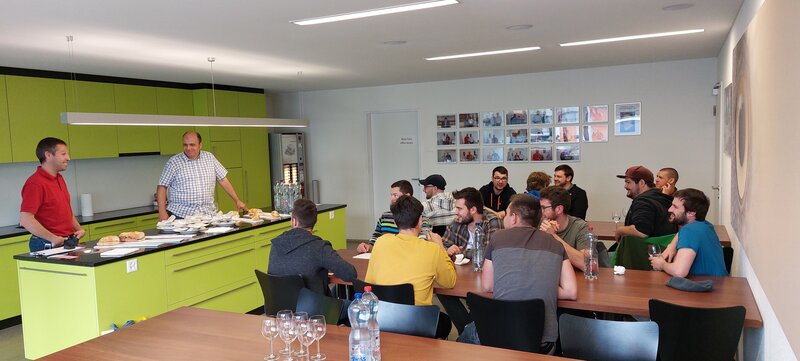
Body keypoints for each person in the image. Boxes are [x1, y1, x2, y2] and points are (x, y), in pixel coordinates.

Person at [460, 194, 577, 354]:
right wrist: (542, 284)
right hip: (543, 346)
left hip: (498, 339)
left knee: (466, 333)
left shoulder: (497, 238)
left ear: (514, 218)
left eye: (507, 214)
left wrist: (523, 282)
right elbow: (571, 292)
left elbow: (488, 285)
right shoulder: (556, 245)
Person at [365, 195, 456, 338]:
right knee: (445, 322)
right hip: (416, 322)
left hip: (382, 318)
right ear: (420, 220)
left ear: (395, 221)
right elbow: (449, 282)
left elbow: (370, 281)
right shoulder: (432, 249)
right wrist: (441, 246)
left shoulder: (380, 243)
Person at [269, 199, 358, 296]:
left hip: (278, 309)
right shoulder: (319, 247)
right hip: (314, 308)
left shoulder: (276, 244)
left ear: (294, 221)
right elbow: (350, 274)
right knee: (352, 306)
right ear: (315, 221)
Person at [156, 131, 246, 220]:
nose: (188, 148)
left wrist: (237, 200)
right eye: (185, 145)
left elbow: (223, 179)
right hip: (181, 216)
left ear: (200, 145)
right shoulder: (174, 162)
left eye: (192, 145)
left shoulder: (209, 157)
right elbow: (162, 187)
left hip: (207, 215)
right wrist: (162, 212)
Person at [20, 137, 86, 251]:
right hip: (46, 244)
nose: (68, 158)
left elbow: (65, 210)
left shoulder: (59, 178)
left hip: (67, 240)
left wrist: (78, 229)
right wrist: (53, 238)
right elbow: (26, 220)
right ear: (48, 155)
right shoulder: (35, 183)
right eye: (63, 154)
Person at [650, 189, 727, 276]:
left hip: (705, 285)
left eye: (675, 207)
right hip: (718, 284)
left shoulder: (689, 231)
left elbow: (679, 272)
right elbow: (681, 233)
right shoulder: (705, 225)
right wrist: (672, 245)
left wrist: (661, 264)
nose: (669, 209)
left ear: (691, 213)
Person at [614, 165, 677, 269]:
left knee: (600, 257)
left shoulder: (643, 201)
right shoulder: (664, 197)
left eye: (628, 182)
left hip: (641, 260)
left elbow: (641, 231)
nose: (625, 186)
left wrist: (619, 230)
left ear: (642, 183)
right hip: (663, 256)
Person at [538, 186, 610, 270]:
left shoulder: (580, 227)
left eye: (543, 208)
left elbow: (587, 265)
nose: (541, 212)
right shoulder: (538, 224)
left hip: (577, 280)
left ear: (558, 209)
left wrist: (553, 236)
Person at [357, 180, 429, 253]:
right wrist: (368, 247)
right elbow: (375, 238)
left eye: (395, 195)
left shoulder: (419, 218)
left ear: (407, 196)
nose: (392, 199)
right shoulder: (385, 216)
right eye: (391, 195)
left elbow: (423, 242)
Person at [443, 187, 503, 257]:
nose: (456, 212)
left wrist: (461, 252)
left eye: (459, 208)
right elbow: (443, 246)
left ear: (473, 210)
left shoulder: (492, 222)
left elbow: (489, 253)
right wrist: (448, 250)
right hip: (459, 267)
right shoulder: (458, 221)